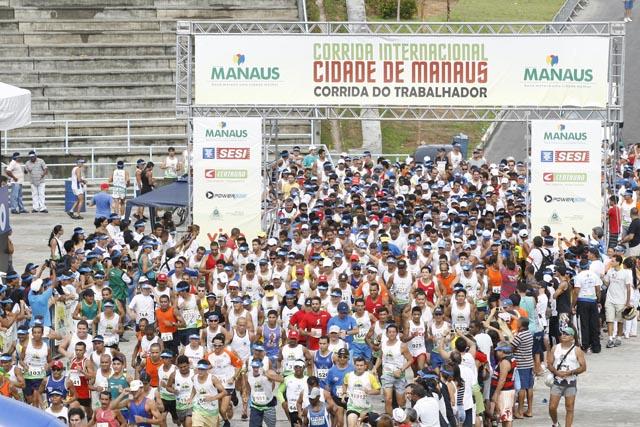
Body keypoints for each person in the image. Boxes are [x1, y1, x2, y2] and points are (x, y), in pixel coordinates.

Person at [546, 327, 587, 427]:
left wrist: (571, 372)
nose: (563, 335)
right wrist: (556, 372)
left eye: (567, 334)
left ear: (572, 337)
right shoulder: (555, 348)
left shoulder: (577, 350)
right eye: (562, 333)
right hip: (557, 381)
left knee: (569, 408)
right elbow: (549, 364)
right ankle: (555, 423)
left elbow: (583, 367)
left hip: (570, 382)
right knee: (552, 407)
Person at [572, 260, 602, 353]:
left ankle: (585, 345)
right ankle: (596, 346)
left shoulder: (578, 276)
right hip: (593, 301)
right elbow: (598, 290)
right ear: (588, 266)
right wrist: (598, 300)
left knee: (584, 324)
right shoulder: (594, 275)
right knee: (594, 324)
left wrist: (573, 305)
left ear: (580, 267)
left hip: (582, 301)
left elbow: (576, 292)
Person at [604, 255, 633, 348]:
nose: (611, 262)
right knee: (609, 320)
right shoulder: (609, 271)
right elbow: (607, 283)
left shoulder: (625, 273)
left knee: (620, 320)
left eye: (612, 261)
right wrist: (603, 278)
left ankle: (619, 338)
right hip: (609, 299)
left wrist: (627, 302)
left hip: (621, 300)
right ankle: (610, 339)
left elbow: (628, 289)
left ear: (618, 262)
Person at [343, 357, 381, 427]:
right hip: (353, 407)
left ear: (365, 366)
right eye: (357, 365)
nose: (359, 367)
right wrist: (344, 393)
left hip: (367, 409)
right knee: (352, 424)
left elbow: (378, 391)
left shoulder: (370, 376)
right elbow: (344, 384)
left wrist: (369, 392)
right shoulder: (348, 375)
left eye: (361, 365)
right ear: (354, 365)